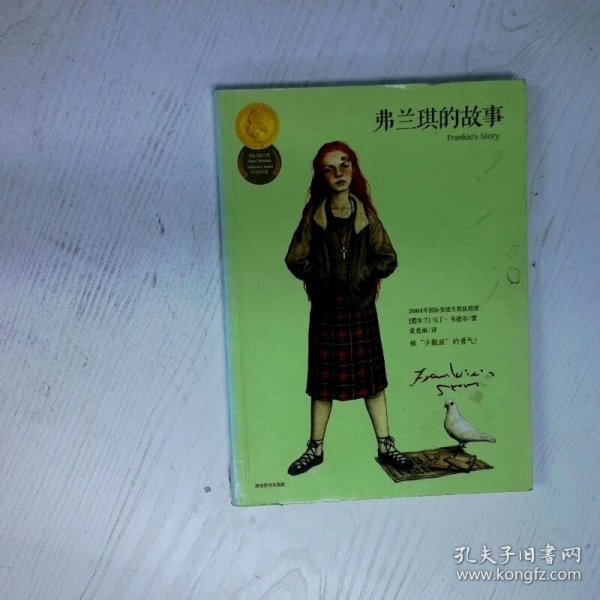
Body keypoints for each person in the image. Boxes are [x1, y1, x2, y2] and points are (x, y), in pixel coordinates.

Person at [285, 141, 413, 476]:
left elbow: (388, 258)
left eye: (344, 165)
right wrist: (322, 280)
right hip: (326, 314)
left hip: (361, 311)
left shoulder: (367, 217)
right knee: (322, 387)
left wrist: (363, 276)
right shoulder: (314, 218)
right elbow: (295, 258)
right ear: (322, 176)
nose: (339, 173)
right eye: (330, 169)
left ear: (354, 170)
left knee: (373, 385)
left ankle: (386, 445)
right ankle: (315, 450)